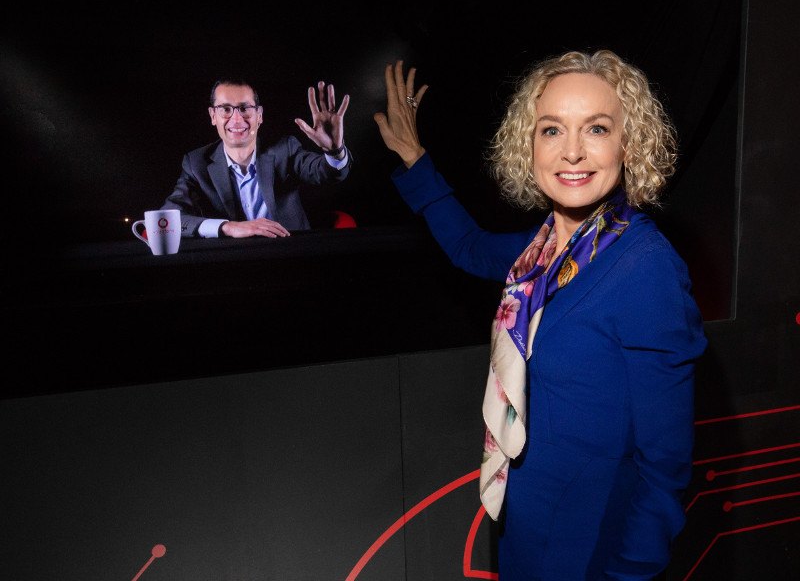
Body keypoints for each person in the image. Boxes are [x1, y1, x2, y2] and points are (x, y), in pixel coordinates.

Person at [374, 52, 707, 580]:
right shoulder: (543, 252)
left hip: (590, 549)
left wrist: (629, 574)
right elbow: (468, 246)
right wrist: (415, 159)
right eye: (552, 130)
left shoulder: (648, 270)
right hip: (526, 524)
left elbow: (664, 470)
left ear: (630, 142)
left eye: (596, 128)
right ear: (528, 146)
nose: (572, 151)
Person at [161, 78, 352, 238]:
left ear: (259, 115)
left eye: (245, 109)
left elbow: (327, 173)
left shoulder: (284, 149)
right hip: (230, 263)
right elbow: (169, 218)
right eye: (225, 109)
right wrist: (226, 227)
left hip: (291, 255)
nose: (236, 119)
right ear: (213, 116)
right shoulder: (196, 163)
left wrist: (334, 151)